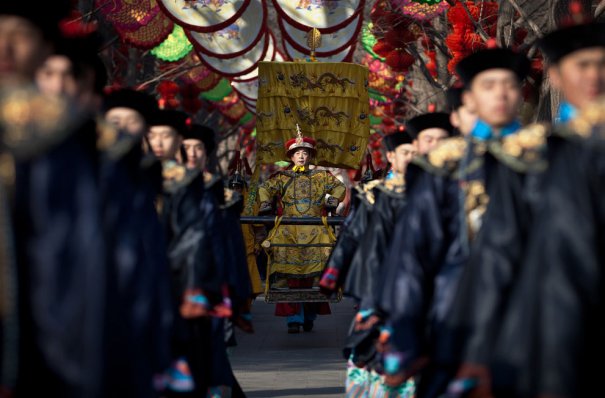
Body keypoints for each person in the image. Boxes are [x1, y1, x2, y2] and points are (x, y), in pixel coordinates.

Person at [379, 46, 530, 398]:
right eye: (489, 85)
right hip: (455, 310)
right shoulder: (442, 169)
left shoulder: (544, 158)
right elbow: (413, 256)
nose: (501, 93)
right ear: (471, 99)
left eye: (509, 84)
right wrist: (405, 334)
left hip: (532, 310)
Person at [258, 126, 346, 334]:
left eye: (305, 153)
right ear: (291, 156)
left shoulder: (322, 176)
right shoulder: (282, 177)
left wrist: (333, 199)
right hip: (289, 229)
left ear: (310, 156)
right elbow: (264, 188)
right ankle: (293, 318)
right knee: (290, 276)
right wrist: (264, 203)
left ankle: (310, 315)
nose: (301, 156)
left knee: (315, 274)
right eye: (297, 153)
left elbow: (340, 188)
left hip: (316, 228)